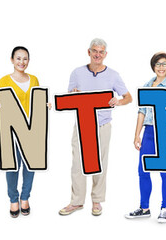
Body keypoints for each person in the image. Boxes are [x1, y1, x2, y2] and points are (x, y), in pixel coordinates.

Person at [59, 38, 131, 217]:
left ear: (105, 55)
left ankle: (97, 200)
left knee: (100, 164)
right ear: (88, 52)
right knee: (77, 164)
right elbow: (69, 96)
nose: (97, 55)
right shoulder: (77, 73)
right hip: (82, 125)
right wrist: (73, 94)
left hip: (103, 125)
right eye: (94, 51)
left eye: (101, 52)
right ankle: (76, 202)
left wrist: (118, 101)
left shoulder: (113, 75)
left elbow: (128, 97)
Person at [124, 52, 166, 223]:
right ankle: (144, 208)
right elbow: (141, 112)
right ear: (153, 66)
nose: (161, 67)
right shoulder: (147, 85)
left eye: (164, 64)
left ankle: (165, 208)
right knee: (143, 171)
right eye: (158, 64)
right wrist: (137, 135)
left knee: (165, 171)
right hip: (148, 132)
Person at [0, 46, 50, 218]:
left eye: (25, 59)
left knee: (30, 166)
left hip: (31, 129)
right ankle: (13, 199)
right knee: (12, 167)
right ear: (12, 60)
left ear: (28, 61)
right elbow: (0, 102)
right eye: (18, 58)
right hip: (12, 132)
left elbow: (36, 101)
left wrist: (45, 105)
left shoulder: (34, 79)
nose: (21, 62)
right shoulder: (4, 81)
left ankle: (25, 197)